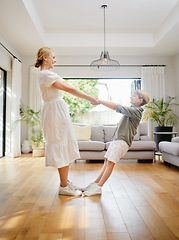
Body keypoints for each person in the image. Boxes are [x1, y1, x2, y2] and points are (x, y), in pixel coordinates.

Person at [35, 47, 99, 196]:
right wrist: (89, 98)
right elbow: (69, 88)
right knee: (60, 145)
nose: (55, 60)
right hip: (54, 112)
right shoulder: (45, 75)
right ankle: (64, 186)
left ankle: (65, 183)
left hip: (57, 110)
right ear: (45, 58)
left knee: (64, 144)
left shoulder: (48, 74)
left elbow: (67, 88)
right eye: (53, 57)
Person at [82, 90, 150, 196]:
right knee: (107, 161)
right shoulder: (132, 110)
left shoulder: (137, 111)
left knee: (110, 163)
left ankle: (99, 187)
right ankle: (95, 184)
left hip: (122, 141)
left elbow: (116, 107)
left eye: (134, 96)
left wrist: (99, 101)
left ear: (140, 100)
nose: (131, 97)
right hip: (117, 140)